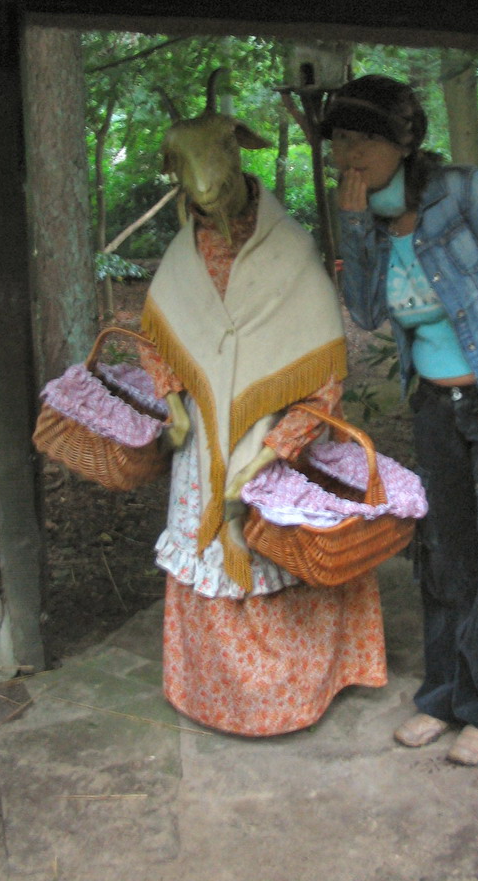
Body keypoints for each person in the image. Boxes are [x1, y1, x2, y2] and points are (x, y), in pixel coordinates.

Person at [323, 74, 478, 766]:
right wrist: (354, 226)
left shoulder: (466, 193)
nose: (348, 153)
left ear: (402, 140)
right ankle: (446, 698)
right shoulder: (364, 212)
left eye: (363, 138)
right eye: (339, 138)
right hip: (436, 406)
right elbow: (366, 313)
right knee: (445, 556)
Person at [139, 172, 387, 736]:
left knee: (287, 548)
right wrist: (177, 411)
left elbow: (323, 369)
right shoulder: (183, 256)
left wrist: (267, 455)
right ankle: (217, 692)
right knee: (215, 552)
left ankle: (297, 692)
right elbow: (159, 338)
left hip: (281, 431)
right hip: (205, 436)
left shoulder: (292, 251)